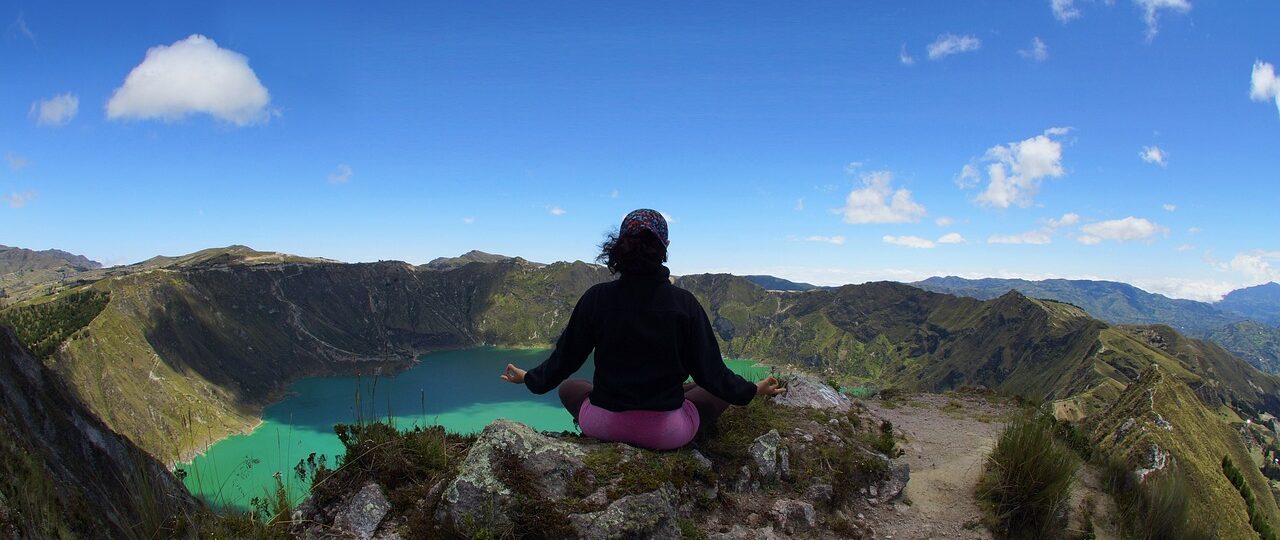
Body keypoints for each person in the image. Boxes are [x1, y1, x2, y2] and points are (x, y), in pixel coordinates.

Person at [500, 208, 785, 450]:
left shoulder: (596, 298)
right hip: (665, 433)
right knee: (711, 390)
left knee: (570, 388)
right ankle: (672, 402)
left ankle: (605, 424)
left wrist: (529, 378)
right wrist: (753, 390)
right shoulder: (683, 304)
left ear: (620, 247)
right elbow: (712, 374)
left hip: (602, 425)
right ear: (665, 248)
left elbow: (565, 361)